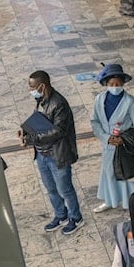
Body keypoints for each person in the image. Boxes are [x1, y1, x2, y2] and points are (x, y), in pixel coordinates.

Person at [20, 70, 83, 235]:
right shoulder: (40, 100)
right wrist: (25, 130)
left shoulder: (59, 103)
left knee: (65, 189)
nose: (30, 90)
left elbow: (57, 131)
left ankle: (76, 217)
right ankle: (60, 215)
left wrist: (32, 138)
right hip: (42, 154)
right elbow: (39, 120)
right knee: (51, 189)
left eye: (32, 86)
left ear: (42, 85)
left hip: (57, 155)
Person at [91, 63, 134, 211]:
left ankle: (132, 204)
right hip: (108, 145)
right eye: (112, 84)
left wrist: (123, 139)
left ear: (123, 84)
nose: (115, 86)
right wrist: (106, 137)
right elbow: (95, 121)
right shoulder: (99, 100)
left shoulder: (132, 101)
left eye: (118, 84)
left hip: (125, 147)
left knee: (128, 175)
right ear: (106, 84)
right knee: (109, 172)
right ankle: (110, 200)